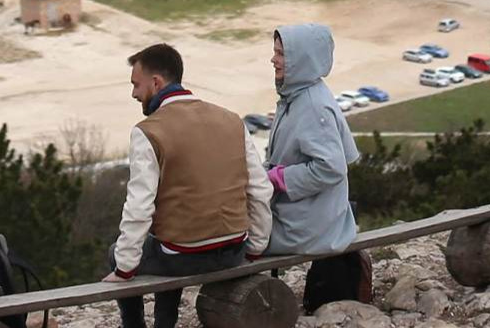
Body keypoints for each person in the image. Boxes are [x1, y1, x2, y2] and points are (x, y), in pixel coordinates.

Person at [106, 43, 272, 328]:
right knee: (167, 241)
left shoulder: (148, 132)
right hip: (234, 250)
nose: (133, 93)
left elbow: (139, 207)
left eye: (136, 84)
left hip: (185, 257)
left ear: (156, 82)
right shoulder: (232, 119)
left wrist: (124, 269)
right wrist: (255, 247)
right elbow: (260, 189)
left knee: (124, 251)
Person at [261, 24, 364, 314]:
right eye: (275, 52)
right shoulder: (299, 94)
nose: (273, 60)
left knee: (235, 241)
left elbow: (331, 168)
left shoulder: (312, 106)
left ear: (301, 59)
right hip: (309, 214)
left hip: (311, 225)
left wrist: (279, 178)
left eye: (281, 54)